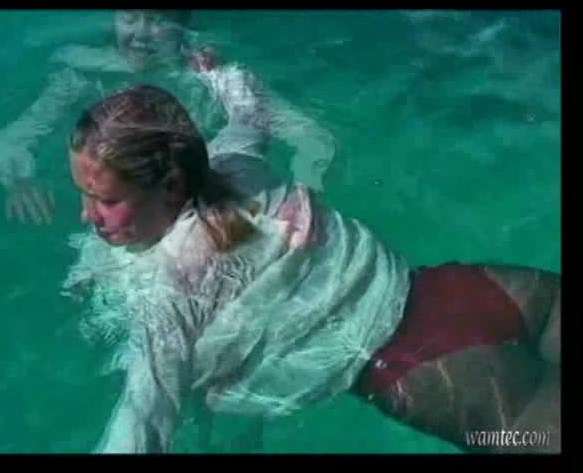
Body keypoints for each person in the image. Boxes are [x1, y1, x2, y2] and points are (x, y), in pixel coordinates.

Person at [62, 83, 560, 454]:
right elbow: (250, 113)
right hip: (470, 287)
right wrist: (219, 74)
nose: (88, 216)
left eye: (105, 200)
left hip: (427, 371)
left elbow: (145, 417)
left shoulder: (170, 287)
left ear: (171, 187)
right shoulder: (235, 166)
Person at [0, 9, 338, 225]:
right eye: (129, 17)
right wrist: (20, 180)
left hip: (206, 198)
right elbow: (10, 139)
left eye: (156, 20)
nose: (139, 34)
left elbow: (311, 135)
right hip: (126, 207)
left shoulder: (214, 74)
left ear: (182, 26)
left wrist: (306, 191)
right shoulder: (85, 74)